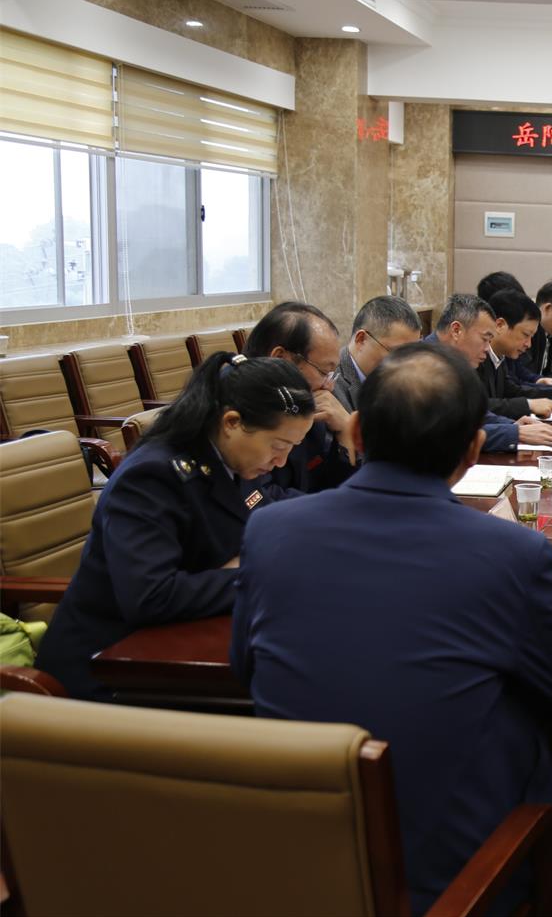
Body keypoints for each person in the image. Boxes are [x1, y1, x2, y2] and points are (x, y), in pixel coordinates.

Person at [231, 341, 552, 915]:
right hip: (456, 888)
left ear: (356, 431)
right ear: (473, 449)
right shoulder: (511, 554)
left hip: (296, 870)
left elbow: (245, 668)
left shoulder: (270, 530)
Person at [37, 353, 313, 700]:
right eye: (278, 446)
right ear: (231, 422)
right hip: (110, 668)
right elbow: (151, 597)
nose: (281, 461)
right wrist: (253, 570)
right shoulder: (152, 477)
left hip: (182, 639)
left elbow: (262, 508)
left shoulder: (232, 458)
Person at [244, 301, 359, 494]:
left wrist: (345, 433)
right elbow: (262, 498)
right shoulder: (240, 411)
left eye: (332, 374)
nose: (329, 386)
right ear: (280, 359)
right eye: (323, 372)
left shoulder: (306, 408)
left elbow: (332, 483)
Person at [427, 293, 552, 451]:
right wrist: (515, 433)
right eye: (485, 339)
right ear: (456, 330)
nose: (488, 348)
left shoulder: (454, 360)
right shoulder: (423, 366)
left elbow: (473, 411)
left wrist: (512, 425)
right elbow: (448, 433)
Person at [479, 289, 552, 420]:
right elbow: (478, 407)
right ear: (500, 325)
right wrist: (527, 407)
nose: (529, 344)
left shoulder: (499, 356)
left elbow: (512, 390)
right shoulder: (476, 358)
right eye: (525, 335)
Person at [331, 295, 423, 412]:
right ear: (361, 340)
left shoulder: (403, 380)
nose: (406, 364)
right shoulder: (329, 385)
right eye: (398, 353)